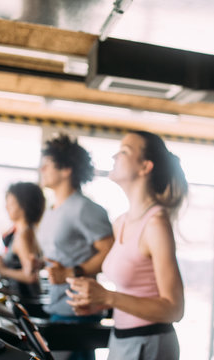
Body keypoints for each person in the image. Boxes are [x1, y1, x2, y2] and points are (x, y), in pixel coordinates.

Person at [65, 130, 187, 360]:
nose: (114, 156)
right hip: (121, 339)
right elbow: (132, 293)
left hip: (150, 343)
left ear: (145, 167)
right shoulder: (120, 222)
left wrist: (108, 297)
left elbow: (174, 309)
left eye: (124, 151)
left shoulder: (155, 224)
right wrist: (98, 304)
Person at [37, 133, 114, 360]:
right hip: (56, 308)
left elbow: (109, 250)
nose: (42, 170)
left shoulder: (85, 208)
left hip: (79, 311)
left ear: (66, 169)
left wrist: (71, 273)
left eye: (47, 165)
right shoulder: (53, 209)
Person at [0, 182, 45, 299]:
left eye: (11, 203)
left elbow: (30, 276)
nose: (6, 207)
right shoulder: (28, 230)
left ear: (23, 205)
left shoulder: (23, 236)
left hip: (26, 301)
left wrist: (2, 270)